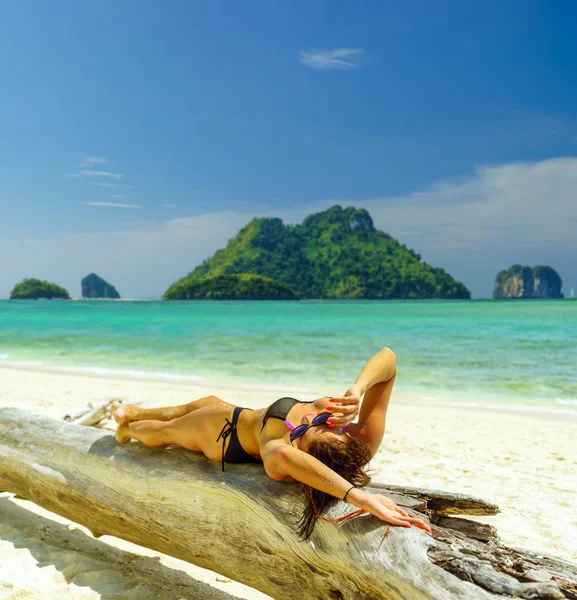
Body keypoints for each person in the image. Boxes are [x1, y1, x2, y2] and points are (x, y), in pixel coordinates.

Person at [113, 346, 431, 538]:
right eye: (329, 424)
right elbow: (388, 362)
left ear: (301, 450)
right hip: (238, 412)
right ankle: (134, 409)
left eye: (310, 430)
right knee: (202, 401)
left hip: (222, 434)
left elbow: (293, 461)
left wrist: (359, 498)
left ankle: (128, 428)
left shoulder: (280, 456)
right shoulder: (361, 440)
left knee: (162, 432)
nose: (314, 418)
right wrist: (358, 389)